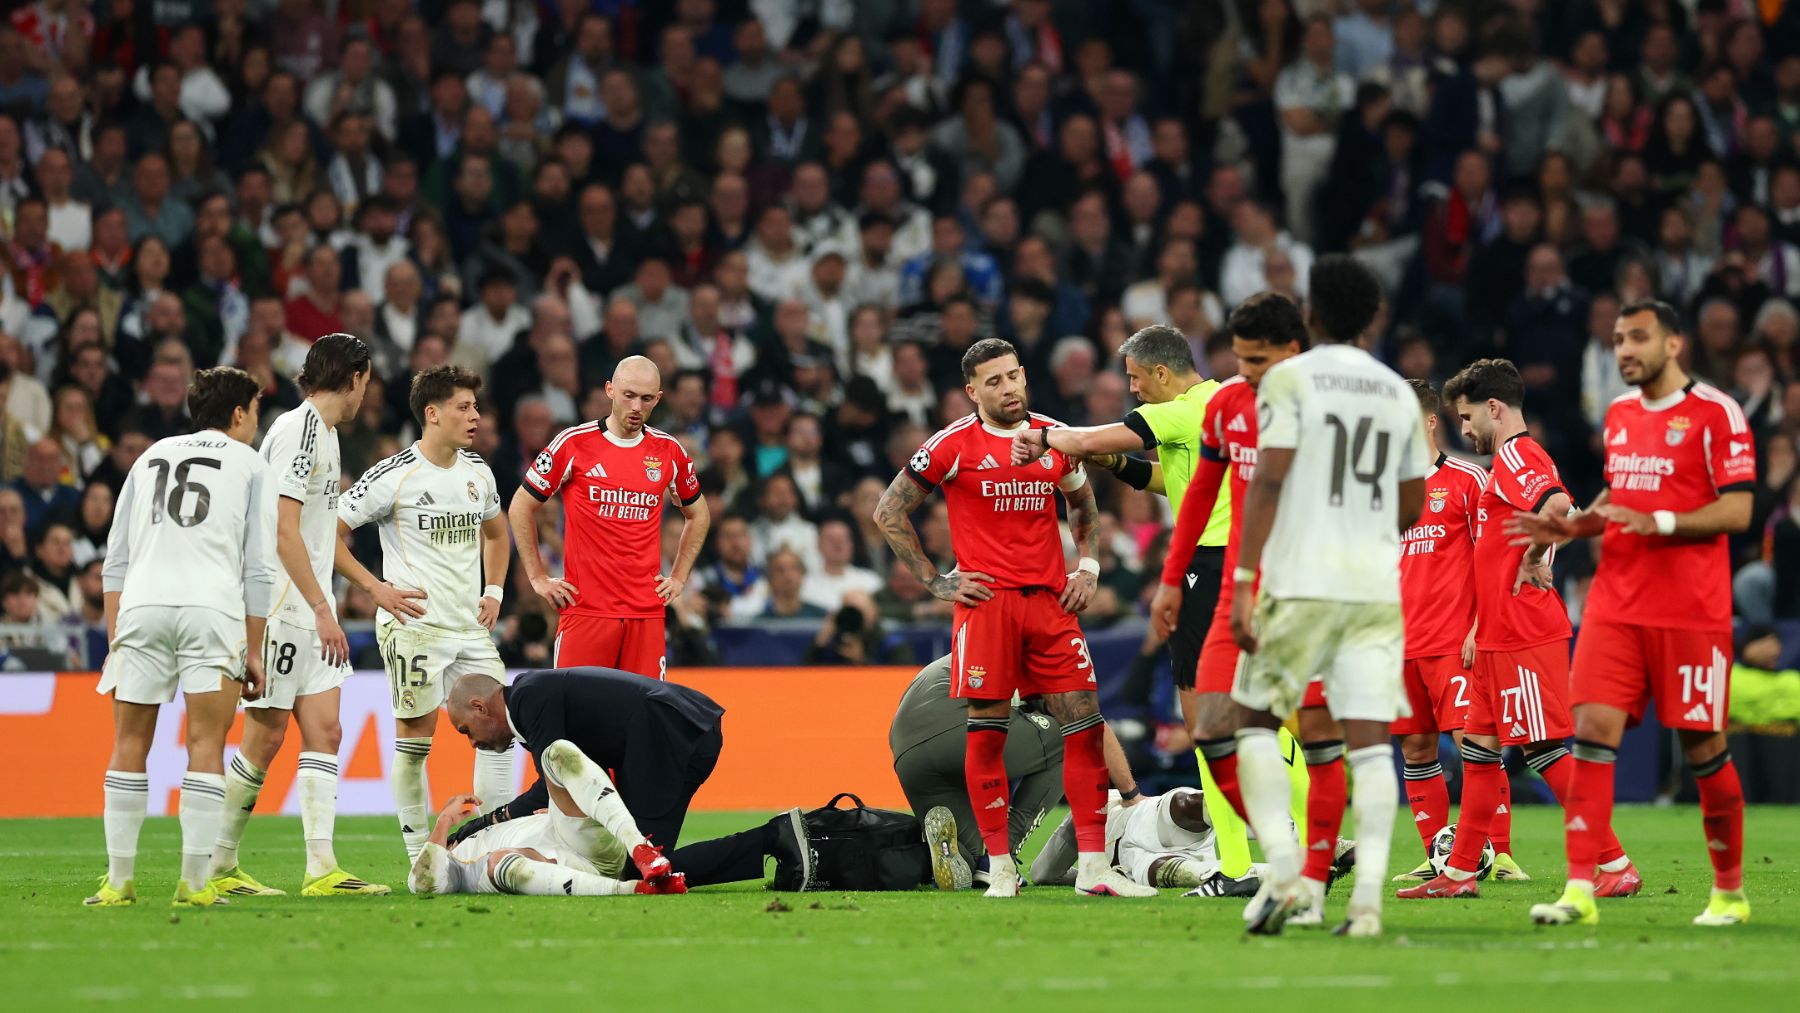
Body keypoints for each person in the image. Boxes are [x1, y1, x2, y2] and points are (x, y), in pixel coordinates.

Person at [872, 337, 1150, 899]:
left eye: (1013, 376)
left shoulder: (1055, 437)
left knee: (1085, 722)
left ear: (1024, 375)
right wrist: (935, 580)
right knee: (987, 734)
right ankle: (999, 866)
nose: (1008, 388)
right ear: (972, 391)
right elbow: (889, 510)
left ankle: (1094, 868)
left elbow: (1082, 503)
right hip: (987, 607)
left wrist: (1088, 567)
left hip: (1051, 603)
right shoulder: (951, 445)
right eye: (993, 381)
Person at [1509, 301, 1755, 928]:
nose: (1624, 349)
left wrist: (1662, 522)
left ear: (1674, 344)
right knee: (1591, 732)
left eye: (1638, 337)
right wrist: (1568, 528)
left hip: (1690, 610)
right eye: (1618, 339)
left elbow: (1738, 510)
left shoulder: (1717, 413)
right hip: (1616, 603)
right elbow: (1620, 495)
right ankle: (1579, 890)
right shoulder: (1619, 413)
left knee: (1704, 749)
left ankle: (1729, 892)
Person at [1219, 256, 1428, 938]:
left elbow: (1269, 480)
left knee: (1252, 720)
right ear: (1373, 317)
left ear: (1310, 315)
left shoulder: (1290, 379)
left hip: (1301, 581)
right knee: (1369, 745)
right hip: (1374, 587)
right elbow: (1412, 504)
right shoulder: (1397, 392)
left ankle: (1284, 871)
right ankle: (1366, 904)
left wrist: (1244, 581)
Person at [1399, 358, 1637, 904]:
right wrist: (1536, 550)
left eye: (1467, 418)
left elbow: (1561, 507)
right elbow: (1566, 515)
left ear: (1494, 408)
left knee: (1545, 751)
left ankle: (1614, 863)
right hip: (1496, 636)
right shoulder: (1511, 460)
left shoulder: (1514, 454)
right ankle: (1460, 873)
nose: (1465, 430)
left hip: (1521, 630)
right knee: (1480, 755)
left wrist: (1534, 556)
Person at [206, 334, 391, 898]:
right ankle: (218, 863)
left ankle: (321, 868)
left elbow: (317, 533)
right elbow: (284, 534)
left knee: (326, 731)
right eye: (366, 382)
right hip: (283, 605)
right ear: (354, 378)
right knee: (264, 739)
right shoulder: (299, 429)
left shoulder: (326, 434)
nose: (366, 394)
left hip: (311, 605)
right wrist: (319, 607)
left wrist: (371, 587)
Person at [86, 367, 277, 908]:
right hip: (210, 611)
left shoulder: (150, 456)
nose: (256, 422)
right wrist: (255, 648)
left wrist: (117, 639)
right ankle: (193, 883)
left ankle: (118, 881)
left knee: (129, 743)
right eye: (255, 411)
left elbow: (116, 559)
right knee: (205, 744)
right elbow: (258, 567)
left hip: (141, 608)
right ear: (238, 413)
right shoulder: (250, 464)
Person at [1150, 295, 1317, 895]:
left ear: (1291, 352)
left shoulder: (1325, 407)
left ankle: (1311, 859)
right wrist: (1171, 577)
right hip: (1235, 581)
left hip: (1304, 580)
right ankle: (1244, 865)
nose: (1242, 373)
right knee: (1215, 724)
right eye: (1238, 360)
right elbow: (1198, 491)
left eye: (1255, 360)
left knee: (1322, 729)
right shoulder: (1229, 405)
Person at [334, 365, 513, 862]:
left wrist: (494, 590)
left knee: (500, 731)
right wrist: (375, 588)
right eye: (464, 407)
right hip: (414, 629)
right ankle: (420, 857)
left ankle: (493, 848)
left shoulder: (478, 471)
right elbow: (329, 532)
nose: (476, 416)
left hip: (470, 628)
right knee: (415, 741)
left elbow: (497, 533)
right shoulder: (394, 475)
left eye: (476, 406)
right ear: (432, 414)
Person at [443, 667, 814, 890]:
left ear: (479, 706)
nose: (472, 742)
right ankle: (775, 838)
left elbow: (551, 786)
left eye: (465, 730)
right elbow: (576, 777)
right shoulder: (530, 697)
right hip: (679, 727)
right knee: (643, 862)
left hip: (666, 731)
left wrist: (486, 822)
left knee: (639, 867)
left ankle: (774, 837)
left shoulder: (528, 699)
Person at [1388, 379, 1524, 881]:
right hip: (1399, 643)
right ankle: (1438, 855)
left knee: (1475, 744)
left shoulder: (1468, 479)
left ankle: (1500, 853)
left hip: (1453, 640)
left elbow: (1495, 556)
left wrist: (1480, 626)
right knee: (1415, 749)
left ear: (1428, 421)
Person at [509, 356, 711, 678]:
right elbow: (521, 505)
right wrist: (537, 577)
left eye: (646, 398)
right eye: (629, 395)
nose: (636, 407)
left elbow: (698, 514)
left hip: (646, 614)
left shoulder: (669, 451)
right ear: (610, 390)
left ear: (658, 399)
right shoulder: (573, 443)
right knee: (576, 708)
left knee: (642, 708)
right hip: (586, 611)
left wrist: (679, 577)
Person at [407, 793, 688, 897]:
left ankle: (642, 851)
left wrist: (553, 815)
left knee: (558, 759)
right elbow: (423, 881)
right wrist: (443, 821)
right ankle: (635, 887)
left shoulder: (478, 838)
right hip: (563, 862)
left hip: (577, 837)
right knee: (501, 863)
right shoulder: (460, 868)